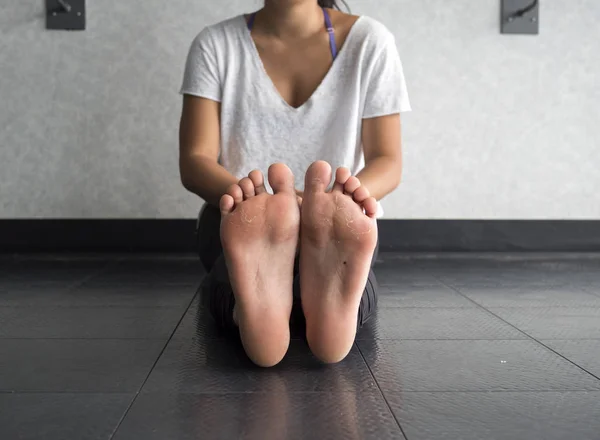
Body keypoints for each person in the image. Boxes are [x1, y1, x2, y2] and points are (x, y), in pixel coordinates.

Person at [179, 0, 411, 367]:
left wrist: (345, 199)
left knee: (338, 261)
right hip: (241, 217)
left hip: (334, 221)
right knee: (242, 258)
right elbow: (195, 162)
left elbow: (388, 162)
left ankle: (252, 314)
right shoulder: (215, 44)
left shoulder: (370, 41)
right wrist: (246, 197)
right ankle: (301, 311)